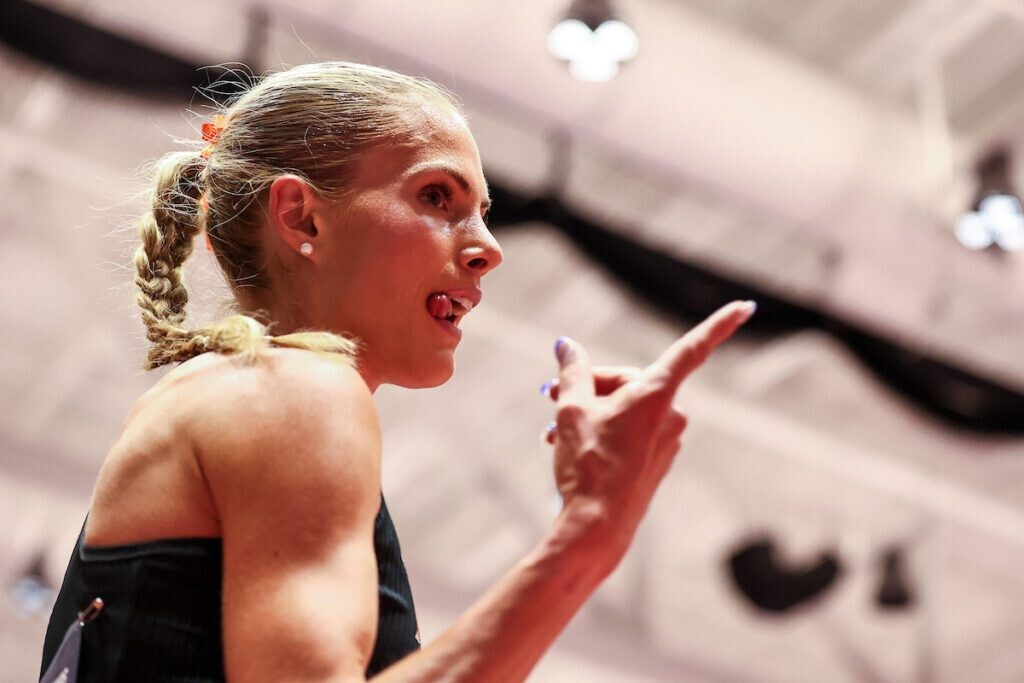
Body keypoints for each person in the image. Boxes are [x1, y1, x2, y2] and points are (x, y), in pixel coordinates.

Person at [38, 61, 755, 682]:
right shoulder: (296, 389)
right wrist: (591, 532)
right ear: (302, 218)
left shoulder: (231, 394)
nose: (489, 248)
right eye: (437, 197)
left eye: (483, 212)